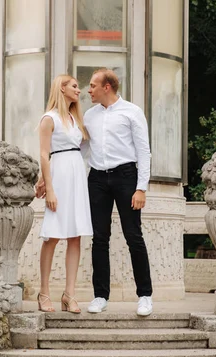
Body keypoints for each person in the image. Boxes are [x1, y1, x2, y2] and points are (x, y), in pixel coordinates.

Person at [84, 68, 153, 316]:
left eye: (92, 85)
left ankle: (145, 295)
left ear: (107, 87)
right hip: (97, 179)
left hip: (126, 177)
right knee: (99, 238)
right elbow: (81, 150)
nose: (88, 90)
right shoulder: (89, 116)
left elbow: (143, 151)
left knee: (133, 235)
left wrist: (141, 188)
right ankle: (100, 295)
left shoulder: (132, 112)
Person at [35, 75, 93, 314]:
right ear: (62, 88)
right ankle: (44, 292)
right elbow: (43, 154)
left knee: (75, 235)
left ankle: (69, 293)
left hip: (76, 175)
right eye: (74, 86)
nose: (79, 90)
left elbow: (83, 150)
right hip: (58, 175)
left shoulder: (75, 118)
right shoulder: (49, 119)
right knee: (52, 236)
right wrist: (48, 186)